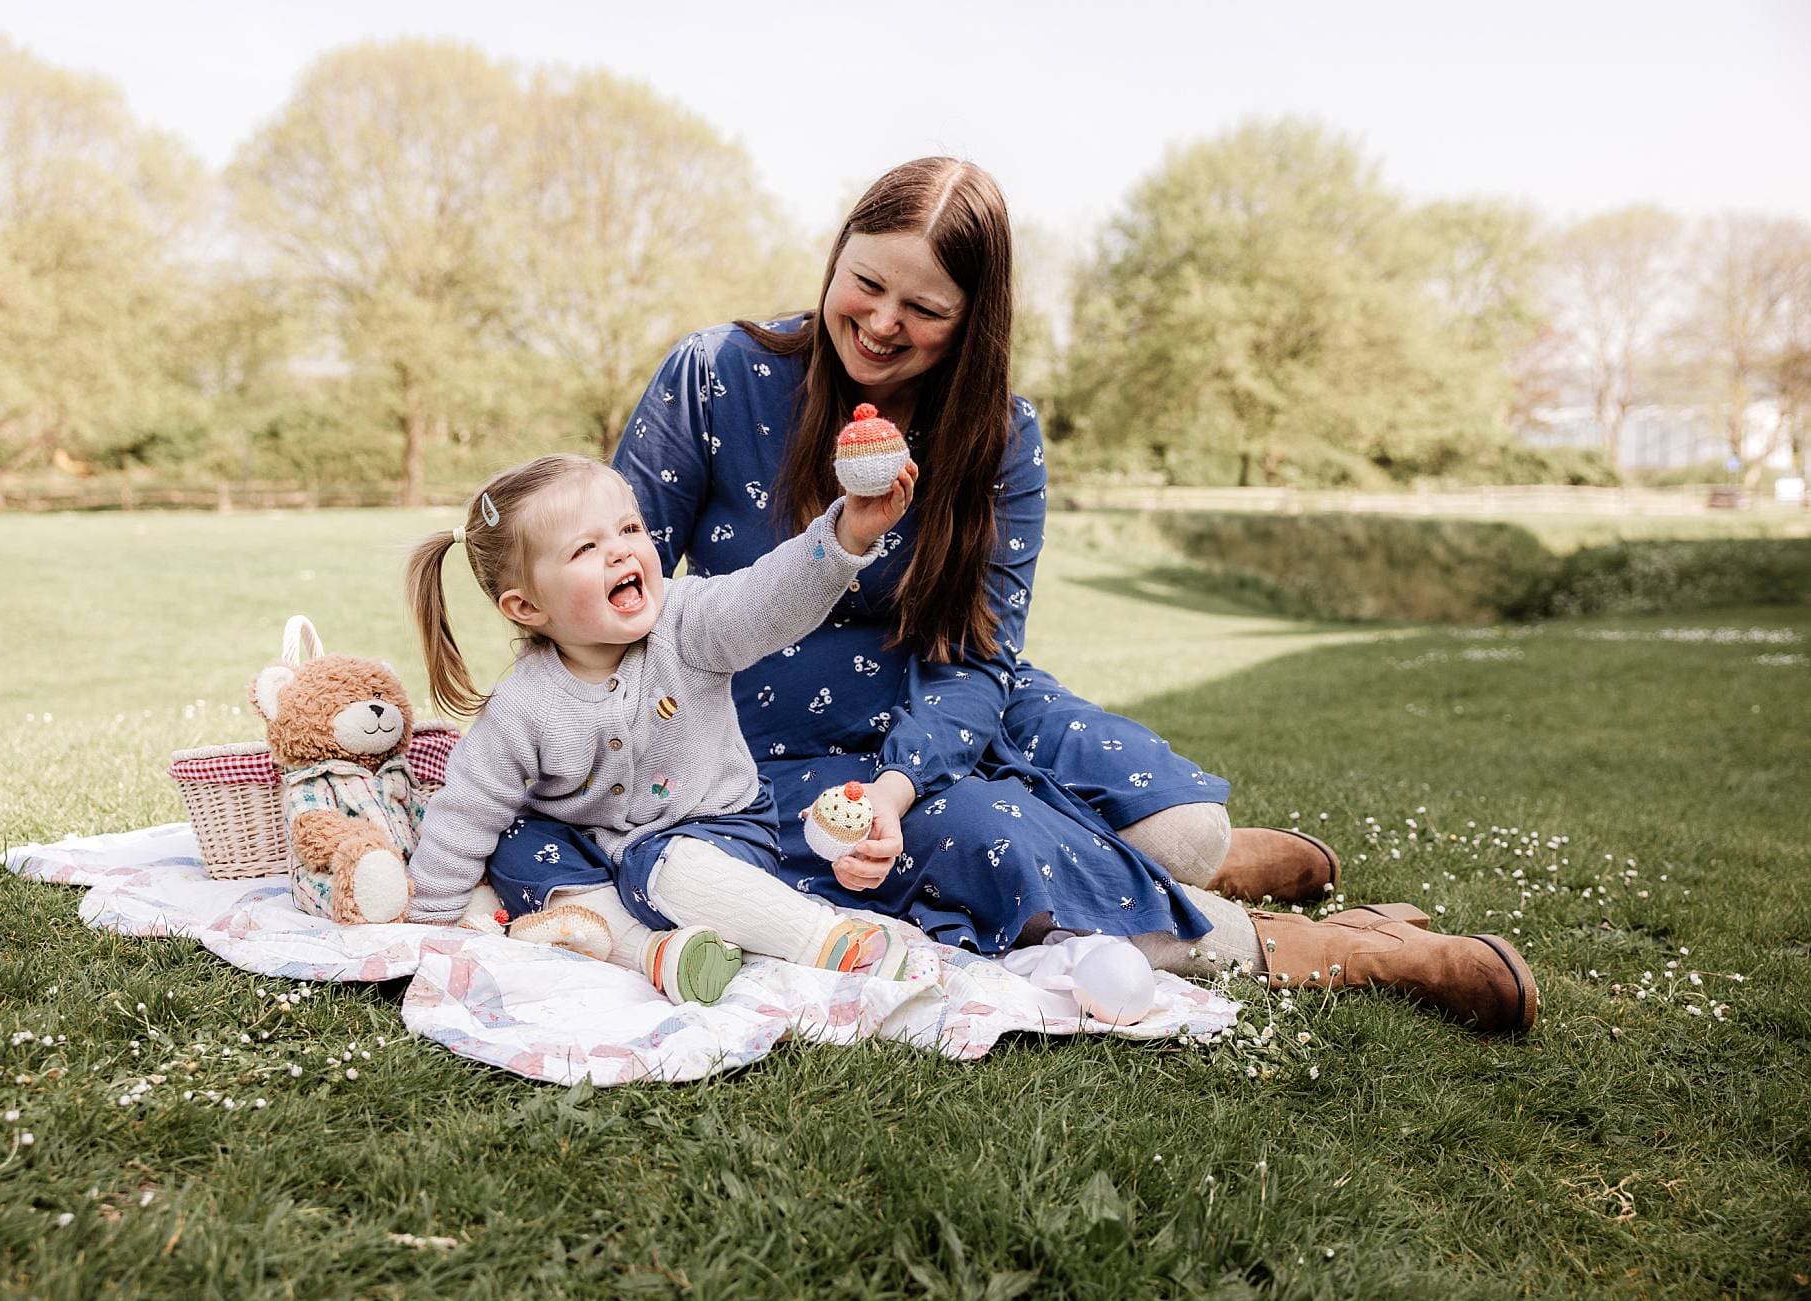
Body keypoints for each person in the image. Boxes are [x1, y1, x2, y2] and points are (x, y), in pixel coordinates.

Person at [569, 156, 1535, 1033]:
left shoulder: (1001, 437)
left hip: (945, 686)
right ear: (835, 261)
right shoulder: (713, 377)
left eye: (925, 308)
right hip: (765, 731)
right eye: (863, 283)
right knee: (989, 841)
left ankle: (1198, 857)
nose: (880, 322)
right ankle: (1344, 948)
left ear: (974, 321)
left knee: (1188, 829)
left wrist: (906, 777)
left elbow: (978, 654)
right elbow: (617, 590)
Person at [400, 452, 934, 1005]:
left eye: (630, 528)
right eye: (586, 548)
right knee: (511, 851)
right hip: (593, 852)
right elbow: (468, 807)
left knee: (663, 866)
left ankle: (824, 939)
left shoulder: (687, 625)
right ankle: (655, 954)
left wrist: (844, 537)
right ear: (527, 606)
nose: (621, 549)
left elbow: (767, 599)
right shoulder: (523, 706)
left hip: (715, 831)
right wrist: (427, 925)